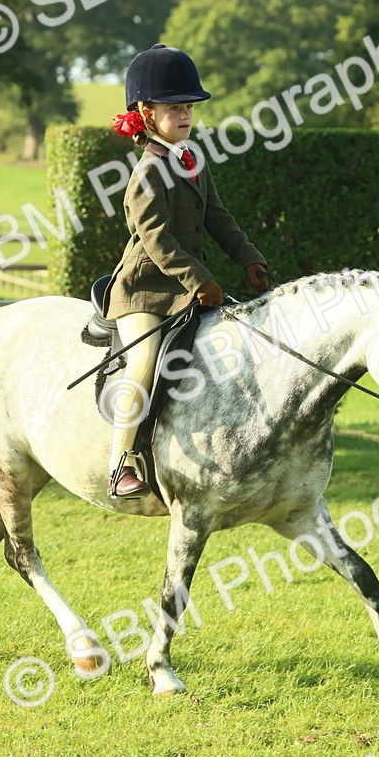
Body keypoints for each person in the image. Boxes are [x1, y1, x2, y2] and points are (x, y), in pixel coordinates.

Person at [105, 43, 270, 499]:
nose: (184, 115)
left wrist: (248, 258)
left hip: (189, 288)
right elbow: (157, 241)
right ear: (145, 112)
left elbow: (218, 218)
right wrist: (201, 279)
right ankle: (121, 464)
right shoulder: (147, 174)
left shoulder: (192, 163)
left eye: (188, 107)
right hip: (145, 292)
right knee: (143, 359)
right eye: (174, 107)